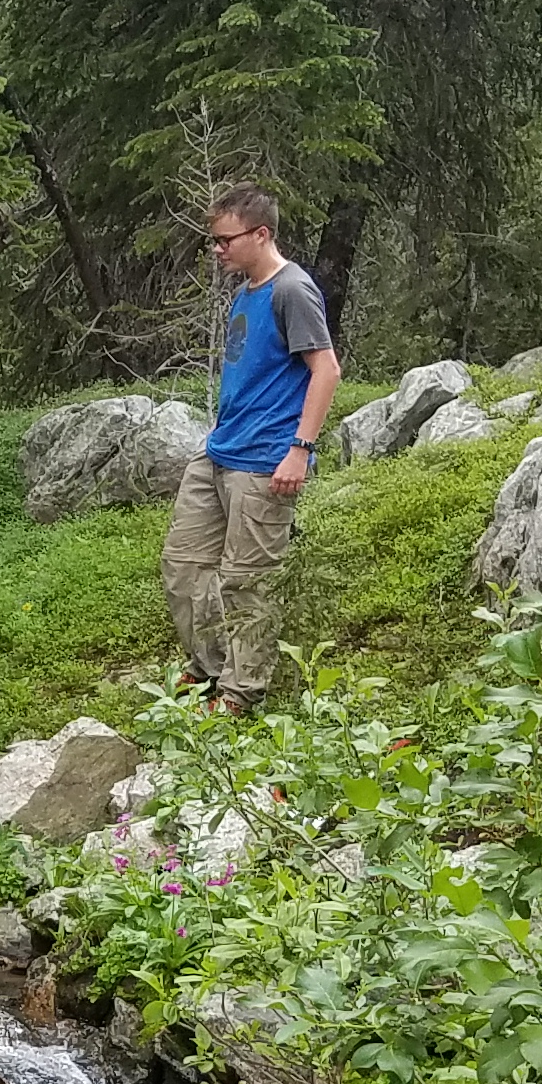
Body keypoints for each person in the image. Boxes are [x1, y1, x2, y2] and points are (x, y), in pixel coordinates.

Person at [165, 183, 340, 712]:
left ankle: (242, 694)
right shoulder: (246, 290)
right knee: (184, 565)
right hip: (220, 451)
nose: (217, 250)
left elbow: (326, 370)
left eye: (225, 240)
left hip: (265, 461)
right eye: (212, 241)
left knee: (247, 582)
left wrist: (300, 449)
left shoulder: (292, 290)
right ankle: (210, 667)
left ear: (261, 235)